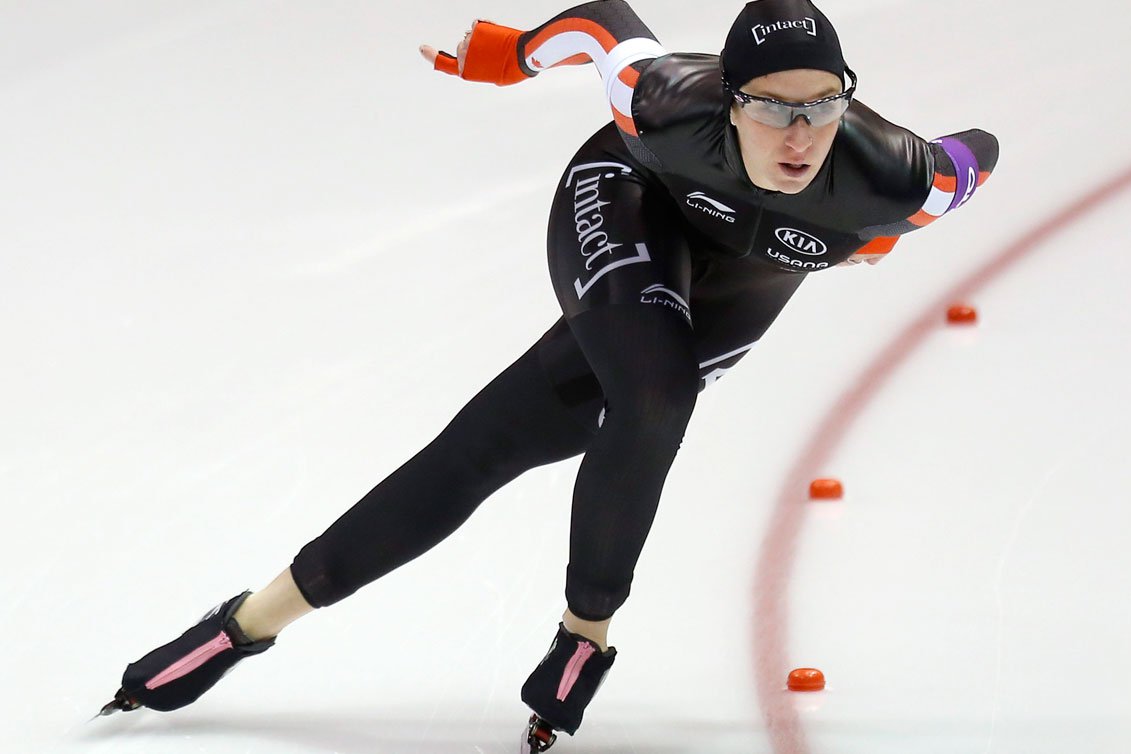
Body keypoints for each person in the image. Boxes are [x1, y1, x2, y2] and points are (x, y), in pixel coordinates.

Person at [102, 0, 998, 750]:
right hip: (630, 202)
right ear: (729, 102)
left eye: (820, 107)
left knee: (493, 442)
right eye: (771, 108)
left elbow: (979, 151)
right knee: (654, 396)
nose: (798, 135)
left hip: (749, 279)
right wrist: (509, 60)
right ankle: (588, 634)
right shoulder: (666, 101)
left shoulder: (896, 178)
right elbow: (602, 24)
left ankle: (245, 623)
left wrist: (884, 232)